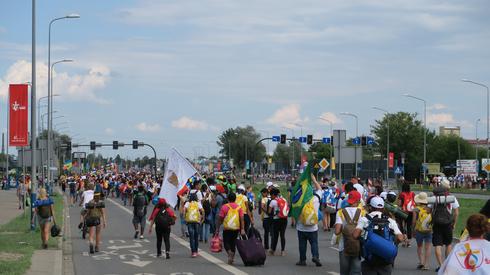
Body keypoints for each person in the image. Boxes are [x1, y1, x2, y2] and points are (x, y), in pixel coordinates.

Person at [353, 196, 404, 275]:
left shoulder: (364, 219)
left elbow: (355, 235)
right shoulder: (390, 221)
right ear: (383, 208)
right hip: (385, 261)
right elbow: (400, 238)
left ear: (370, 207)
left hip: (369, 260)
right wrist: (391, 244)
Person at [295, 174, 323, 267]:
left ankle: (302, 260)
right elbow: (320, 190)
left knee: (302, 244)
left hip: (301, 226)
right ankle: (316, 256)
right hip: (312, 227)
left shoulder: (299, 200)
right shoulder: (315, 199)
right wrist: (314, 180)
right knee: (314, 243)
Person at [335, 190, 365, 275]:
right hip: (358, 246)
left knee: (344, 272)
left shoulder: (341, 212)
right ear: (359, 201)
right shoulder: (363, 213)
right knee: (356, 271)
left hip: (343, 246)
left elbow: (337, 231)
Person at [432, 180, 459, 272]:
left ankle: (440, 265)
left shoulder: (434, 198)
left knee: (437, 244)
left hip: (436, 224)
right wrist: (454, 224)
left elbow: (428, 210)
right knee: (448, 244)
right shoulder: (451, 198)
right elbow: (456, 213)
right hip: (448, 223)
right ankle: (447, 265)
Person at [216, 192, 245, 265]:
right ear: (235, 199)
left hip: (227, 228)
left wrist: (217, 228)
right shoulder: (239, 207)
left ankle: (229, 253)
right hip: (236, 228)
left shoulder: (224, 207)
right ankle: (232, 258)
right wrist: (242, 229)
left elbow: (220, 218)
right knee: (233, 243)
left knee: (226, 242)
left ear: (228, 199)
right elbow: (241, 219)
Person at [412, 192, 432, 270]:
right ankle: (426, 264)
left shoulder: (416, 209)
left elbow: (414, 221)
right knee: (428, 247)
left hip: (419, 230)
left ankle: (421, 262)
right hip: (428, 230)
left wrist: (413, 229)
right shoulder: (430, 209)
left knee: (419, 246)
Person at [268, 187, 288, 256]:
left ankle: (273, 250)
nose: (271, 197)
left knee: (275, 236)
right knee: (282, 235)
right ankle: (283, 251)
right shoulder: (284, 199)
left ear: (273, 194)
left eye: (271, 195)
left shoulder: (273, 201)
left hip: (276, 220)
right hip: (284, 220)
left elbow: (269, 212)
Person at [183, 193, 204, 257]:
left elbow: (184, 210)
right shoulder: (198, 203)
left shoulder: (187, 203)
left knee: (191, 238)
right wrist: (202, 218)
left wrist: (185, 218)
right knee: (196, 237)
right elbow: (202, 211)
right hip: (196, 221)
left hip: (189, 221)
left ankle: (193, 252)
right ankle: (196, 251)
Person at [398, 183, 415, 247]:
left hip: (403, 212)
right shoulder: (412, 194)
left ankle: (404, 241)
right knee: (409, 226)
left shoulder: (402, 194)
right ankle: (409, 242)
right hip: (411, 212)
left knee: (403, 226)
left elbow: (399, 204)